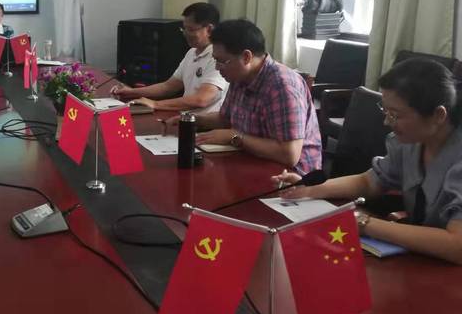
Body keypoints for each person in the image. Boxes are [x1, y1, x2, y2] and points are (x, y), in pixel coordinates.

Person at [275, 58, 462, 265]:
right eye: (385, 111)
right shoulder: (411, 142)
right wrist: (310, 190)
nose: (387, 122)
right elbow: (370, 181)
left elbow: (457, 245)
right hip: (423, 260)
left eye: (395, 115)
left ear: (438, 115)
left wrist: (365, 223)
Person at [194, 19, 321, 174]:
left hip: (291, 176)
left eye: (222, 61)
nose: (217, 67)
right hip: (251, 160)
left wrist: (235, 137)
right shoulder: (239, 75)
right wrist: (191, 119)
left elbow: (289, 154)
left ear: (246, 57)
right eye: (215, 60)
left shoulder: (282, 86)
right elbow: (225, 119)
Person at [111, 3, 227, 112]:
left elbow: (201, 99)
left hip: (205, 123)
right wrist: (131, 92)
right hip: (185, 118)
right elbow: (168, 87)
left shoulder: (218, 57)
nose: (185, 33)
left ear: (209, 30)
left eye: (191, 29)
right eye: (184, 28)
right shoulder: (192, 53)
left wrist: (155, 104)